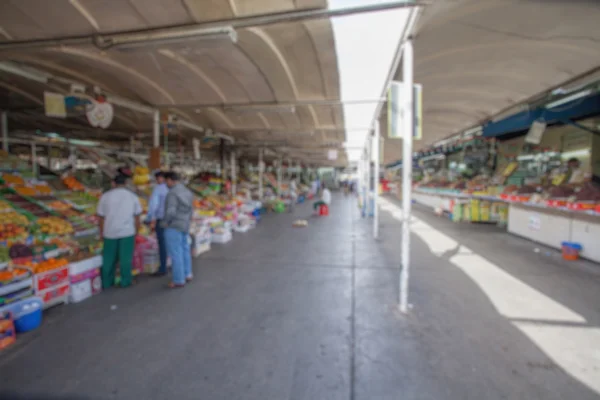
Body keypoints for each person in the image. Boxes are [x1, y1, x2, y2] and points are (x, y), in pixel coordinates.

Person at [97, 174, 142, 289]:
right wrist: (136, 230)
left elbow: (101, 217)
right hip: (127, 232)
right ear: (125, 184)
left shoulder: (105, 196)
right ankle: (125, 281)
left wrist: (101, 232)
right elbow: (137, 216)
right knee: (125, 258)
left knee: (108, 258)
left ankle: (107, 282)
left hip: (109, 231)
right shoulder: (132, 196)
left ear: (113, 183)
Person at [162, 172, 194, 288]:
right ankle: (187, 274)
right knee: (185, 249)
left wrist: (165, 223)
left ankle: (178, 280)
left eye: (167, 181)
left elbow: (170, 211)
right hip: (184, 224)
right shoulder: (187, 191)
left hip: (174, 225)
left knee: (176, 253)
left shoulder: (172, 193)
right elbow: (191, 210)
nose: (166, 184)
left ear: (170, 180)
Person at [146, 171, 169, 277]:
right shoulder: (173, 188)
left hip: (161, 219)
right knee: (171, 241)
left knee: (162, 243)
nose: (157, 181)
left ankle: (163, 267)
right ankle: (171, 263)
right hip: (173, 219)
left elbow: (153, 205)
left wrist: (151, 218)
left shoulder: (158, 189)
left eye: (157, 179)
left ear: (161, 178)